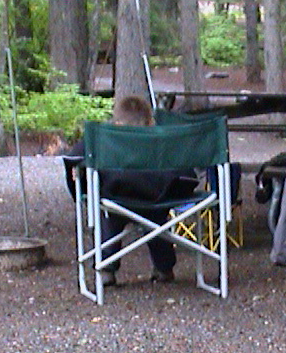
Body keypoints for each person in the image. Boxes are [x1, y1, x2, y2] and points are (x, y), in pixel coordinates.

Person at [64, 96, 198, 286]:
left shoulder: (102, 137)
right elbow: (186, 173)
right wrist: (175, 192)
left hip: (115, 197)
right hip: (156, 198)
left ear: (117, 122)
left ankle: (106, 267)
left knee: (109, 216)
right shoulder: (163, 139)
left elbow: (73, 161)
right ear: (150, 122)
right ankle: (164, 267)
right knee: (157, 221)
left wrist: (84, 193)